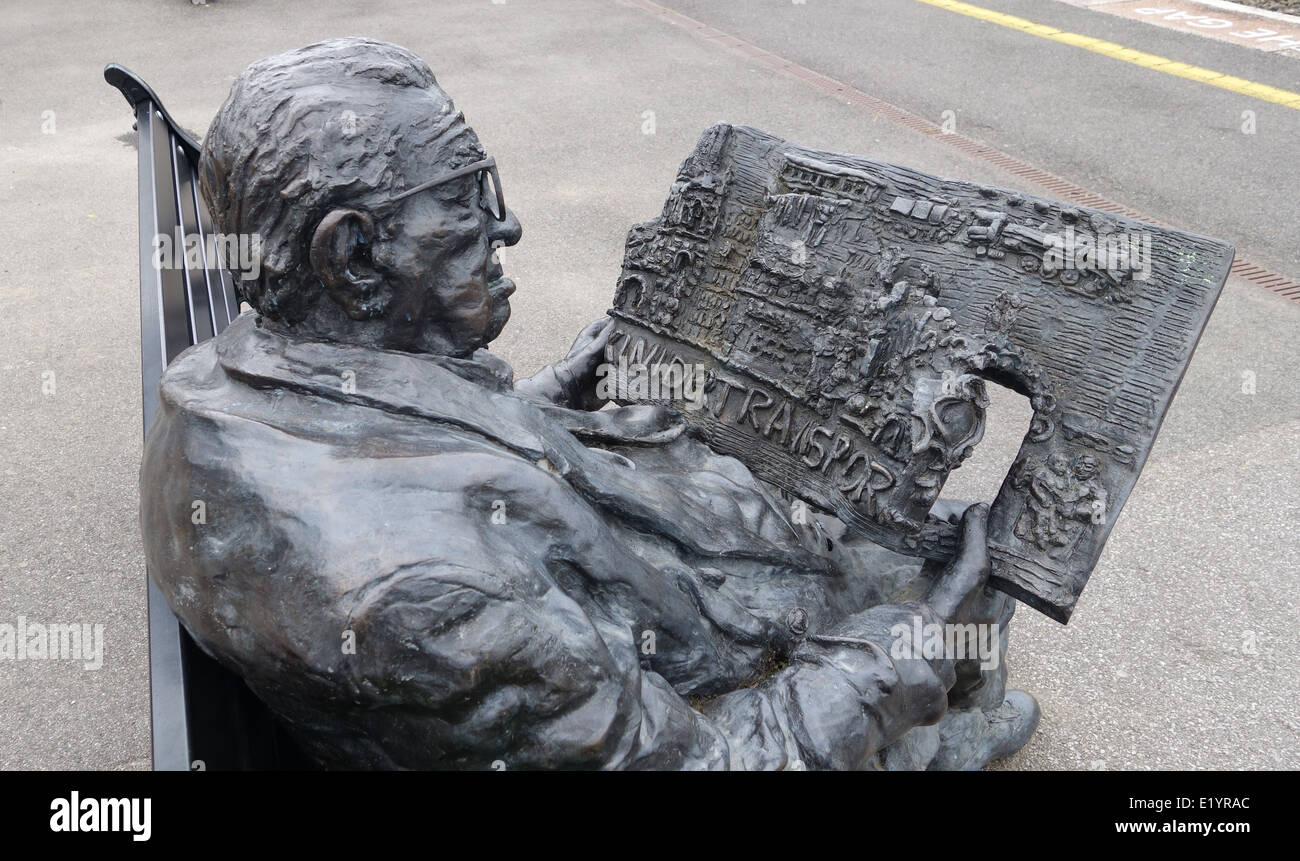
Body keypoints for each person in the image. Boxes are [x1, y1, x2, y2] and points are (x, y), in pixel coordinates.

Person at [141, 37, 1038, 770]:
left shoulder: (218, 385)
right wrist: (907, 652)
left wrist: (543, 397)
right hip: (672, 680)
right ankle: (930, 732)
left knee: (889, 533)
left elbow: (392, 453)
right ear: (356, 258)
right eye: (463, 200)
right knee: (960, 569)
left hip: (573, 622)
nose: (506, 228)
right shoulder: (427, 594)